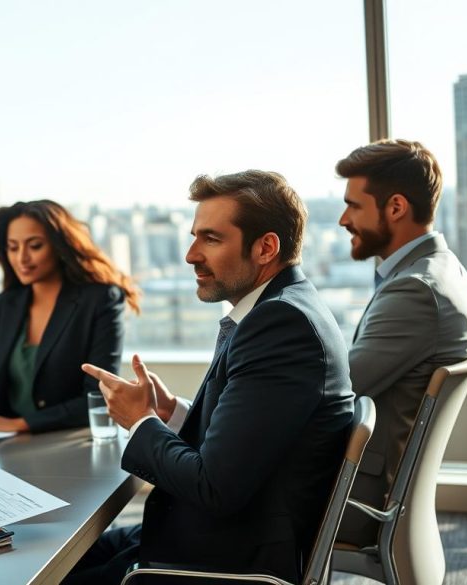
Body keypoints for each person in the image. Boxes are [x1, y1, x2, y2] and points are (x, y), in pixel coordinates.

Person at [72, 171, 354, 583]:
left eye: (211, 239)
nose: (190, 254)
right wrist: (171, 413)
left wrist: (140, 421)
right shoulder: (280, 307)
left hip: (224, 560)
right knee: (65, 556)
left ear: (265, 248)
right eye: (194, 236)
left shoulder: (280, 324)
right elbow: (246, 443)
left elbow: (214, 487)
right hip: (216, 535)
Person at [333, 139, 467, 545]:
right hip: (384, 491)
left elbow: (336, 393)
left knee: (219, 493)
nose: (344, 219)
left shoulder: (415, 291)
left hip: (358, 503)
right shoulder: (443, 269)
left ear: (396, 207)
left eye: (354, 205)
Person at [0, 199, 139, 433]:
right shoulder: (7, 303)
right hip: (3, 442)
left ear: (59, 245)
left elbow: (96, 396)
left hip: (65, 441)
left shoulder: (101, 299)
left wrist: (19, 425)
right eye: (13, 247)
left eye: (34, 246)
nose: (21, 258)